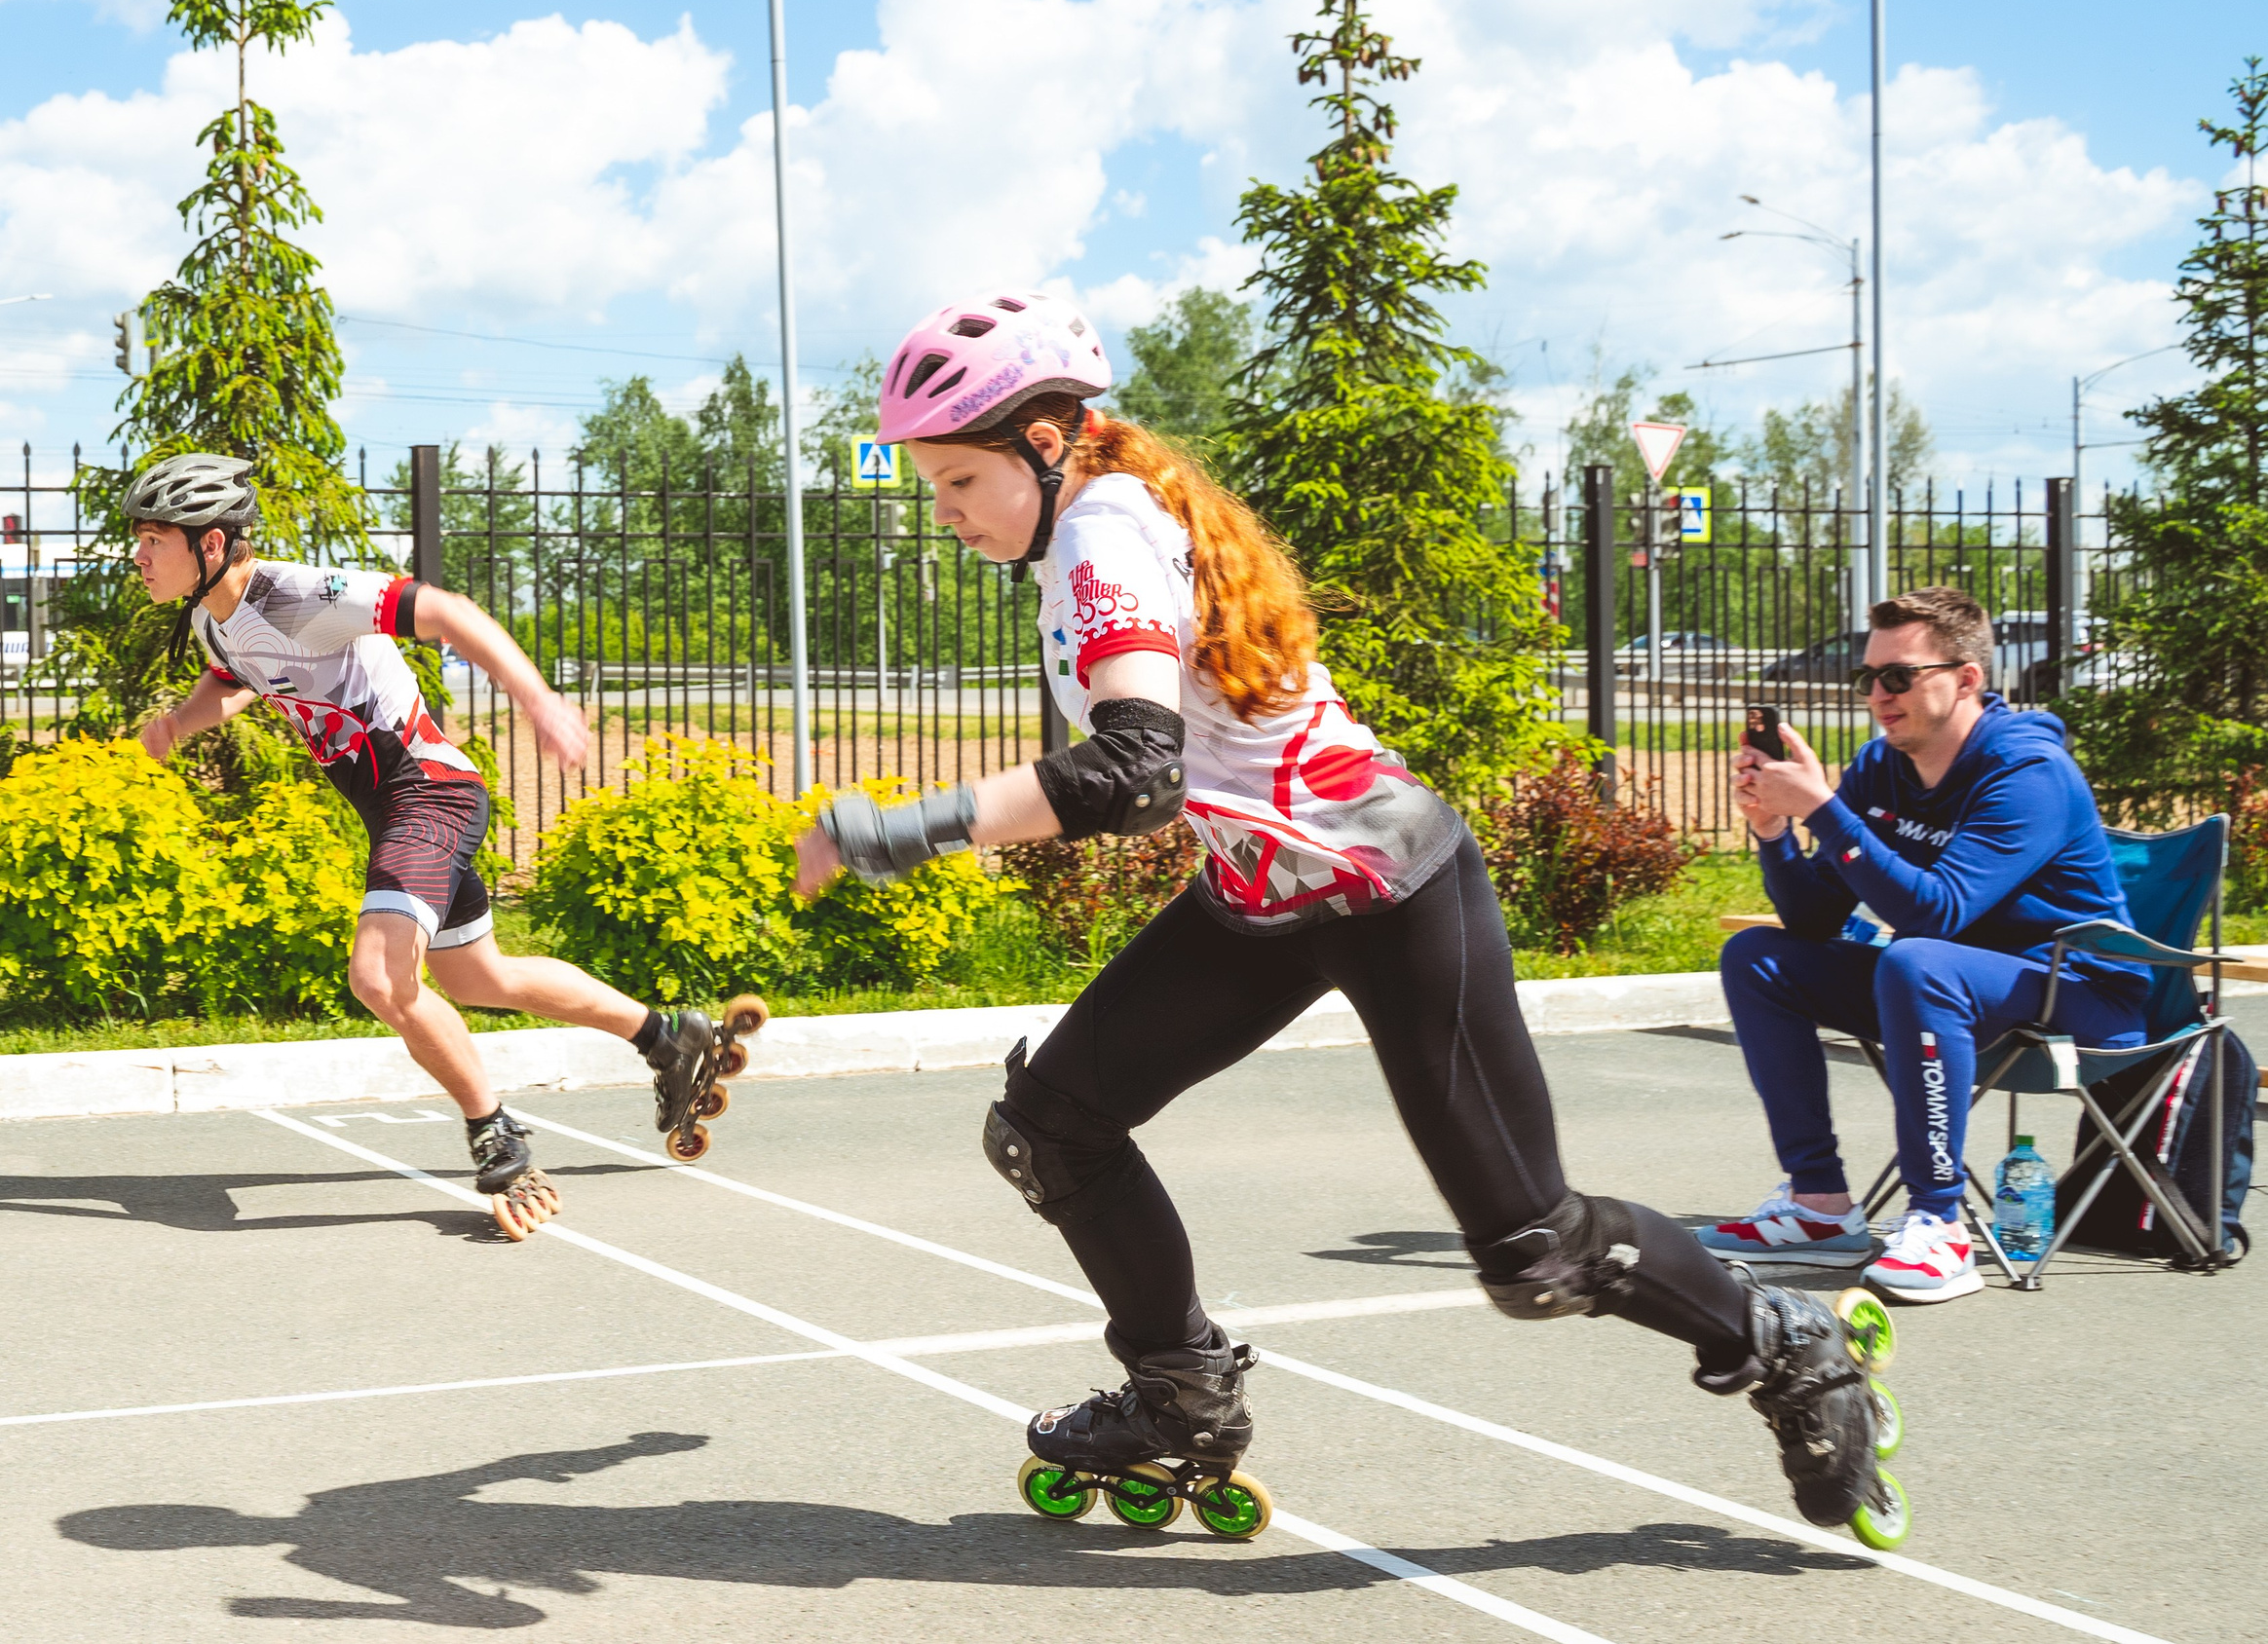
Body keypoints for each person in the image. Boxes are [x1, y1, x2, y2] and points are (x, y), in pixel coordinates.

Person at [791, 293, 1898, 1539]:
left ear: (1046, 446)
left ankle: (1788, 1341)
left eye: (955, 479)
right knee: (1054, 1126)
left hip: (1389, 889)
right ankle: (1179, 1396)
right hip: (1267, 896)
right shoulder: (1087, 528)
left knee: (1535, 1252)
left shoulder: (1102, 529)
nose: (941, 512)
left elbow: (1133, 775)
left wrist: (898, 829)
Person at [124, 454, 737, 1232]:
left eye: (152, 539)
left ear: (210, 544)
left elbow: (446, 611)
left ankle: (499, 1141)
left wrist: (539, 703)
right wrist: (181, 720)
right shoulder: (215, 614)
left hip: (429, 793)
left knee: (379, 976)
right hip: (395, 812)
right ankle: (668, 1038)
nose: (138, 556)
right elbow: (236, 674)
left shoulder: (296, 593)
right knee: (479, 976)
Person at [1714, 587, 2149, 1303]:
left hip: (2081, 991)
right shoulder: (1881, 767)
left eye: (1898, 676)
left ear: (1967, 677)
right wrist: (1772, 830)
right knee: (1758, 959)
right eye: (1867, 678)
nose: (1878, 695)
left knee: (1919, 959)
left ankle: (1939, 1224)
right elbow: (1816, 919)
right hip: (1955, 982)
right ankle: (1820, 1206)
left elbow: (1937, 913)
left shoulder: (2028, 770)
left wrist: (1825, 809)